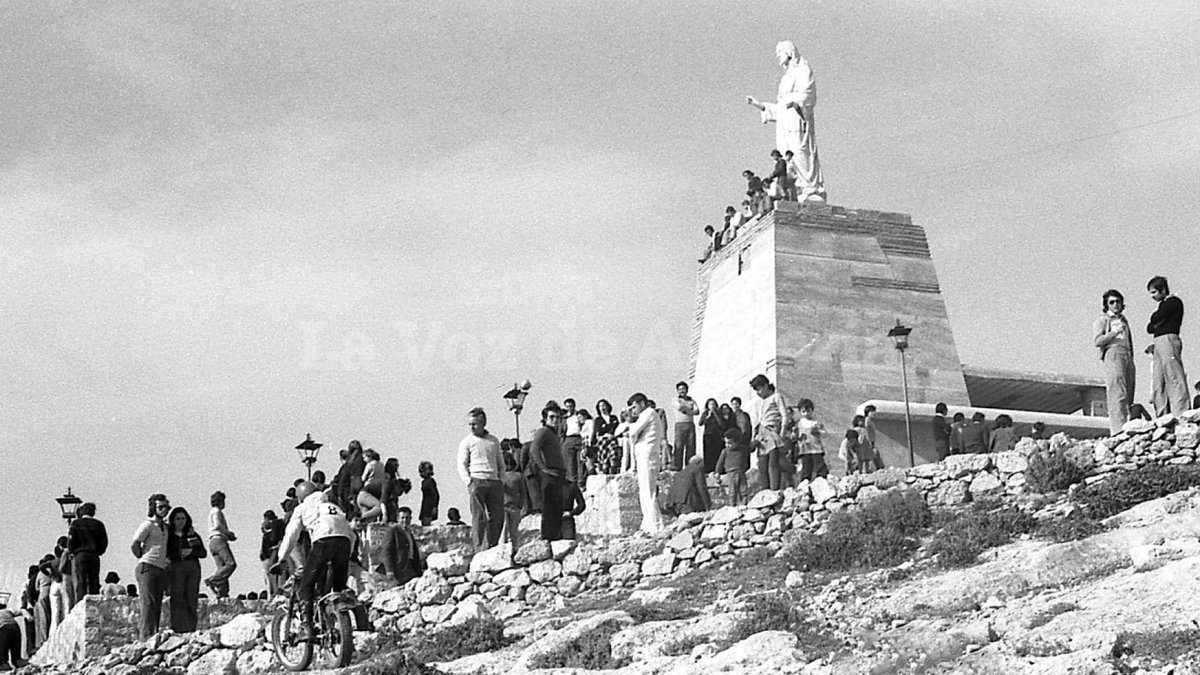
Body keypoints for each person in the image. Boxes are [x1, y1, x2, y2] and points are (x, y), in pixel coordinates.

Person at [272, 480, 355, 643]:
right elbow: (351, 534)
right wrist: (347, 554)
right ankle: (337, 621)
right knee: (338, 588)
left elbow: (291, 535)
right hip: (344, 542)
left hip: (323, 542)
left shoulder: (302, 507)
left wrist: (281, 559)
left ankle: (306, 626)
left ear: (300, 498)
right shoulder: (332, 505)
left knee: (306, 587)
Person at [746, 40, 826, 202]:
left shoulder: (803, 70)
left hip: (798, 119)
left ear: (789, 53)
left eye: (780, 54)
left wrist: (797, 101)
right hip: (785, 124)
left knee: (800, 152)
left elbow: (809, 94)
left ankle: (809, 188)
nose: (778, 58)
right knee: (787, 157)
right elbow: (780, 109)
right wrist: (760, 106)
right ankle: (793, 190)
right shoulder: (785, 78)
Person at [456, 407, 505, 550]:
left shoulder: (493, 441)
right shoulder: (467, 442)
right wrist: (469, 482)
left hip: (494, 481)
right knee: (479, 517)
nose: (471, 427)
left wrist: (501, 480)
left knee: (498, 516)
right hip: (477, 480)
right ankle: (479, 548)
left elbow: (500, 463)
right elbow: (461, 464)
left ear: (483, 423)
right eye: (470, 424)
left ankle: (492, 545)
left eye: (475, 424)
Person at [1145, 276, 1189, 416]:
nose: (1152, 296)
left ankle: (1181, 410)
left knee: (1173, 374)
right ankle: (1162, 414)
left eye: (1154, 292)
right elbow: (1150, 327)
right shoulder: (1164, 304)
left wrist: (1157, 320)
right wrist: (1156, 321)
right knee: (1159, 379)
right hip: (1158, 341)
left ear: (1162, 290)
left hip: (1169, 338)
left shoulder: (1173, 302)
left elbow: (1156, 317)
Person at [1094, 289, 1137, 433]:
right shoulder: (1103, 320)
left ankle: (1126, 423)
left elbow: (1130, 341)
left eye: (1118, 301)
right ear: (1106, 305)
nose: (1115, 304)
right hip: (1113, 351)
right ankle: (1118, 429)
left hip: (1126, 353)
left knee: (1128, 389)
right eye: (1111, 302)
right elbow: (1098, 341)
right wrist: (1113, 333)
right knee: (1117, 391)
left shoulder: (1124, 321)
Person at [131, 493, 171, 641]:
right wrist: (143, 557)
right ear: (153, 508)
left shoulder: (165, 527)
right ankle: (145, 639)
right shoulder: (147, 525)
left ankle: (153, 636)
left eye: (166, 507)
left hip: (160, 568)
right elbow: (135, 543)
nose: (164, 510)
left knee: (157, 605)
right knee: (147, 604)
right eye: (160, 507)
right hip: (147, 566)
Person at [624, 393, 665, 534]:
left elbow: (633, 432)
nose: (633, 410)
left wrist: (629, 423)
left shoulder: (649, 413)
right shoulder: (644, 416)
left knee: (649, 492)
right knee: (644, 492)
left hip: (648, 456)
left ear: (642, 403)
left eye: (634, 407)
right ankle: (648, 524)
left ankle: (656, 526)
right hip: (642, 456)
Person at [528, 403, 568, 540]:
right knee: (550, 509)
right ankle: (548, 539)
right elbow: (534, 449)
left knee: (557, 509)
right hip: (549, 474)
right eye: (552, 417)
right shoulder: (544, 431)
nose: (555, 420)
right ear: (545, 419)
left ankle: (555, 538)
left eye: (558, 417)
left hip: (558, 473)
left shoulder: (555, 434)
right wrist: (544, 468)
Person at [165, 506, 206, 633]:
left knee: (191, 598)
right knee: (177, 598)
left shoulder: (192, 535)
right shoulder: (169, 536)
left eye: (183, 518)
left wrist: (191, 551)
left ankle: (190, 628)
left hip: (192, 568)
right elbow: (166, 552)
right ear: (172, 520)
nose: (180, 521)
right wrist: (177, 554)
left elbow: (203, 553)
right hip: (176, 568)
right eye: (177, 519)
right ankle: (177, 628)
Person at [749, 374, 787, 490]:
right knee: (762, 464)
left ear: (766, 386)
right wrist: (754, 437)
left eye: (759, 389)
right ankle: (765, 491)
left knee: (773, 464)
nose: (758, 392)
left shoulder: (776, 397)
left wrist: (782, 433)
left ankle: (774, 490)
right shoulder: (759, 402)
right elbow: (758, 421)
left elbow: (784, 415)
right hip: (762, 435)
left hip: (772, 432)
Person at [67, 502, 107, 605]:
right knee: (94, 579)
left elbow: (71, 540)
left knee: (81, 580)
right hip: (94, 555)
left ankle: (81, 603)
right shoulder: (99, 525)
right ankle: (94, 603)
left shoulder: (76, 524)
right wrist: (99, 551)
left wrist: (72, 550)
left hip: (80, 555)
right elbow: (104, 541)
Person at [205, 491, 237, 599]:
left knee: (221, 568)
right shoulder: (216, 511)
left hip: (212, 541)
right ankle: (213, 580)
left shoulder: (211, 512)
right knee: (230, 564)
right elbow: (218, 525)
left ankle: (222, 593)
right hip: (219, 540)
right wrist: (228, 533)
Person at [381, 507, 424, 586]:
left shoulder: (409, 533)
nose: (405, 520)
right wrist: (389, 570)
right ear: (397, 519)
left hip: (410, 567)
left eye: (407, 518)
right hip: (399, 568)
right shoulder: (393, 531)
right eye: (402, 518)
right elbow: (386, 551)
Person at [794, 398, 829, 482]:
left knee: (819, 465)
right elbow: (794, 436)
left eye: (808, 411)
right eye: (803, 411)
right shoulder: (798, 424)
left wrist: (818, 431)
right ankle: (805, 482)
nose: (806, 414)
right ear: (800, 412)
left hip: (816, 448)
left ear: (812, 410)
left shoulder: (816, 423)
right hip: (804, 449)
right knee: (806, 467)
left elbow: (825, 434)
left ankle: (821, 481)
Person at [715, 427, 751, 506]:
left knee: (743, 490)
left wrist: (757, 441)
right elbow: (720, 462)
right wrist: (717, 472)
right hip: (731, 473)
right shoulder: (725, 451)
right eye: (726, 443)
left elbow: (750, 448)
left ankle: (743, 505)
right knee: (732, 491)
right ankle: (732, 506)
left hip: (741, 472)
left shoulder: (742, 449)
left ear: (737, 442)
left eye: (730, 443)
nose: (727, 445)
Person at [500, 450, 526, 550]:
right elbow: (523, 493)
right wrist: (520, 504)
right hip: (514, 506)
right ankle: (514, 548)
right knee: (514, 532)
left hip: (503, 506)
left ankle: (504, 550)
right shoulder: (518, 476)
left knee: (504, 532)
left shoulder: (501, 477)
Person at [335, 440, 366, 518]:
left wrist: (340, 494)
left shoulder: (348, 464)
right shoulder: (363, 460)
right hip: (361, 485)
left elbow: (342, 480)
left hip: (351, 487)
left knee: (352, 511)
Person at [259, 510, 285, 597]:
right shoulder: (277, 526)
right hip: (272, 553)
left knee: (271, 572)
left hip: (271, 552)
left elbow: (272, 541)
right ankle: (275, 591)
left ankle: (274, 593)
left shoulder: (273, 527)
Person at [0, 599, 31, 671]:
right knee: (16, 650)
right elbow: (21, 611)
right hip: (14, 627)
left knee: (2, 649)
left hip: (3, 629)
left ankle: (3, 664)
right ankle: (17, 660)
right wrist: (28, 615)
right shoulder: (7, 610)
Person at [698, 398, 726, 474]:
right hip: (708, 435)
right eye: (710, 404)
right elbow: (700, 423)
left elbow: (722, 424)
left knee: (717, 452)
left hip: (717, 436)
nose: (712, 406)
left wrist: (715, 414)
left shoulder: (718, 413)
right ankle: (708, 469)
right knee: (708, 453)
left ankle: (718, 469)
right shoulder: (705, 413)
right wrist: (708, 416)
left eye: (713, 404)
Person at [593, 399, 622, 475]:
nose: (602, 408)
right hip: (603, 440)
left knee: (613, 452)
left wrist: (606, 427)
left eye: (603, 405)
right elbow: (599, 431)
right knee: (604, 456)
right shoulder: (598, 419)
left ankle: (613, 470)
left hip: (613, 439)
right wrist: (609, 426)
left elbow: (617, 428)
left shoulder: (613, 417)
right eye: (600, 406)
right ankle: (605, 470)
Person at [561, 399, 585, 486]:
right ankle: (573, 482)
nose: (569, 408)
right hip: (568, 439)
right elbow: (561, 431)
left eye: (570, 406)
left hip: (579, 438)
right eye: (567, 407)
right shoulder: (564, 418)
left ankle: (580, 482)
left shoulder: (579, 415)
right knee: (570, 463)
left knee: (580, 461)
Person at [862, 405, 885, 470]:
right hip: (869, 443)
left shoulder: (869, 421)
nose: (873, 413)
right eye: (871, 412)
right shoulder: (867, 420)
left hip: (871, 442)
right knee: (875, 455)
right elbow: (867, 432)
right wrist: (870, 443)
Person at [418, 461, 440, 526]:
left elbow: (435, 494)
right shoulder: (425, 481)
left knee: (426, 522)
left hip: (429, 505)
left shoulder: (430, 481)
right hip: (425, 503)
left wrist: (434, 507)